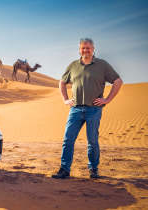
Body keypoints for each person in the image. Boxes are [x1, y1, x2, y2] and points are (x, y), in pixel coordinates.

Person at [52, 38, 123, 179]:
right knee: (68, 139)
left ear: (93, 49)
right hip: (76, 109)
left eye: (88, 48)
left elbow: (118, 81)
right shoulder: (73, 65)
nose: (86, 50)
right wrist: (65, 100)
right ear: (79, 50)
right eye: (83, 48)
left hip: (94, 110)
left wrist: (107, 99)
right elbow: (62, 82)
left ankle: (93, 169)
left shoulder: (102, 65)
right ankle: (64, 169)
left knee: (92, 141)